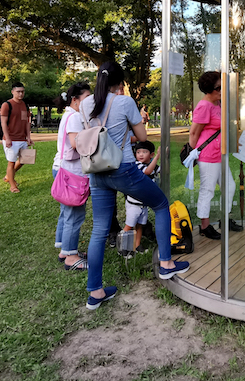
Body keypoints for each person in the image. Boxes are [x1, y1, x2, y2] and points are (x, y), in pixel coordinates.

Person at [69, 61, 189, 310]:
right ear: (119, 81)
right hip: (122, 168)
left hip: (96, 170)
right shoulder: (124, 102)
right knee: (161, 204)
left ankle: (95, 292)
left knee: (99, 229)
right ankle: (166, 264)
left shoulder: (86, 103)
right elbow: (142, 137)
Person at [188, 71, 242, 240]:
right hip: (208, 156)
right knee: (207, 190)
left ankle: (224, 219)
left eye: (222, 87)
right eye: (218, 88)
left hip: (220, 154)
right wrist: (193, 155)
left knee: (230, 186)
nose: (221, 91)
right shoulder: (204, 106)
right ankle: (205, 226)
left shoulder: (218, 103)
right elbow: (193, 133)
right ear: (209, 89)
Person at [51, 82, 91, 270]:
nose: (90, 102)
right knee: (74, 215)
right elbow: (76, 143)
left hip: (64, 169)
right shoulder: (75, 117)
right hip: (72, 173)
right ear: (75, 100)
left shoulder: (69, 115)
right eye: (86, 98)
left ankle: (65, 250)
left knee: (67, 213)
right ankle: (70, 256)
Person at [122, 140, 160, 257]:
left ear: (151, 154)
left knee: (140, 225)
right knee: (129, 225)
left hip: (143, 203)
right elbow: (147, 172)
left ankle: (137, 245)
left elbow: (160, 170)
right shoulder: (137, 165)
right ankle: (123, 247)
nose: (141, 155)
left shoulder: (152, 166)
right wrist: (158, 157)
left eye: (144, 152)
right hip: (134, 203)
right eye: (138, 152)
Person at [1, 81, 33, 193]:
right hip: (11, 138)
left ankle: (8, 176)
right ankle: (12, 185)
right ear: (12, 92)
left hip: (22, 138)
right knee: (11, 162)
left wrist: (28, 136)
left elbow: (27, 122)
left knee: (24, 160)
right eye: (18, 91)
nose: (20, 94)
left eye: (22, 92)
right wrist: (8, 138)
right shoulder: (7, 105)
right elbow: (3, 123)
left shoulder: (25, 105)